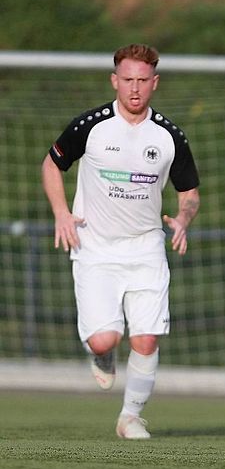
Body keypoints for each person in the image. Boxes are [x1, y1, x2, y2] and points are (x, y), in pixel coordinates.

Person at [41, 43, 200, 439]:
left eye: (142, 80)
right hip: (94, 246)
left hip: (146, 247)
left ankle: (130, 417)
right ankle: (103, 352)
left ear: (154, 83)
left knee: (145, 338)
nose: (134, 88)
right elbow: (51, 164)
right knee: (104, 338)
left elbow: (190, 193)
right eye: (127, 79)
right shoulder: (90, 126)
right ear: (115, 80)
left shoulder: (169, 135)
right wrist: (62, 213)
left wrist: (182, 218)